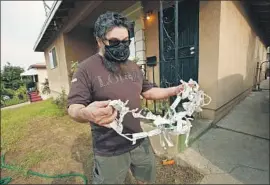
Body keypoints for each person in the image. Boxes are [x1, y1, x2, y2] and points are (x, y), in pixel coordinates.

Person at [67, 11, 184, 184]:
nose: (121, 46)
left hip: (139, 140)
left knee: (146, 179)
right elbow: (73, 107)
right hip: (109, 148)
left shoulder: (133, 67)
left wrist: (176, 89)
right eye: (114, 42)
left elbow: (148, 91)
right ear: (99, 40)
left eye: (125, 41)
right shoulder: (86, 69)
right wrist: (86, 113)